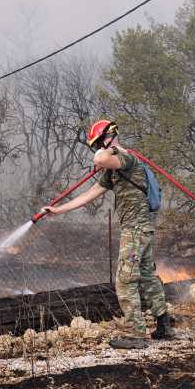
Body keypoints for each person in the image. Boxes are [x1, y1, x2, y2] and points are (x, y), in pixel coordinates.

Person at [41, 119, 174, 349]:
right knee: (146, 275)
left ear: (109, 137)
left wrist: (109, 149)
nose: (97, 149)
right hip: (141, 229)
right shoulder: (115, 171)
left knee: (124, 280)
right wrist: (58, 210)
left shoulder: (127, 159)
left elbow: (100, 159)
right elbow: (89, 194)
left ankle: (136, 335)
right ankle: (163, 325)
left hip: (135, 229)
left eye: (99, 143)